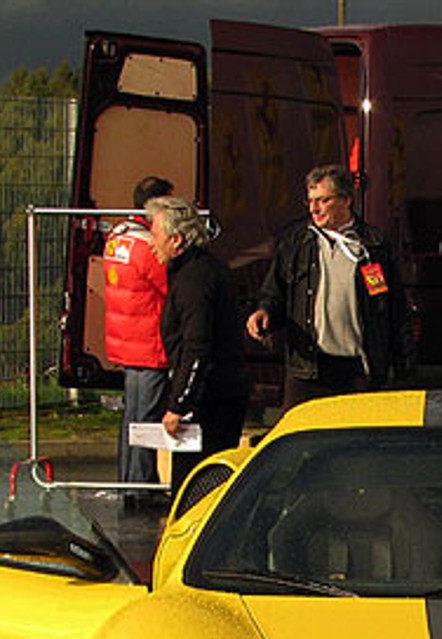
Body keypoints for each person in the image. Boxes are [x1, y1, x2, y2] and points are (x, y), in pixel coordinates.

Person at [245, 164, 412, 407]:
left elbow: (393, 310)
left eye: (323, 200)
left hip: (358, 370)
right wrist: (264, 312)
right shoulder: (297, 243)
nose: (314, 209)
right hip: (308, 370)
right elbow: (274, 292)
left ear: (346, 200)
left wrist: (403, 371)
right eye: (310, 201)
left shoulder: (373, 247)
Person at [149, 196, 249, 481]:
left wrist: (180, 403)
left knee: (195, 481)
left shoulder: (195, 278)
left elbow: (197, 344)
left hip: (211, 398)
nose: (151, 243)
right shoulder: (196, 270)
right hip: (216, 390)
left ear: (177, 240)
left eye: (156, 235)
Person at [103, 175, 175, 488]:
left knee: (131, 417)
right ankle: (141, 484)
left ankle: (127, 479)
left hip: (126, 340)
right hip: (149, 343)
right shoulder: (148, 246)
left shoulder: (117, 238)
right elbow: (170, 288)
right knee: (146, 420)